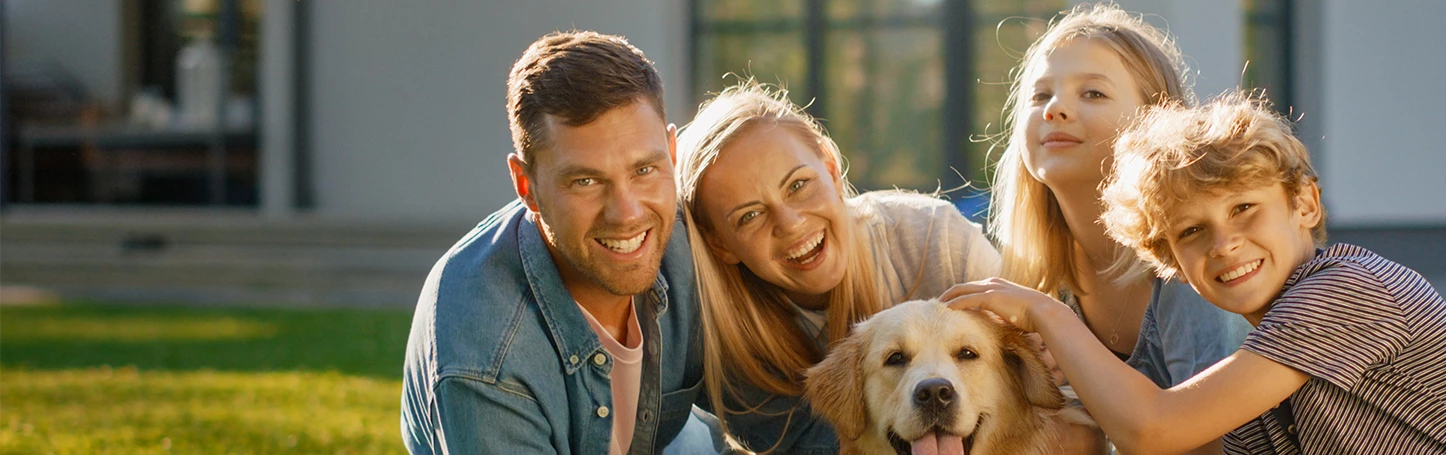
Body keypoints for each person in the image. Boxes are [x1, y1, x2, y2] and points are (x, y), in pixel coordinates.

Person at [947, 93, 1446, 454]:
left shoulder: (1349, 289)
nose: (1224, 243)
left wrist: (1047, 313)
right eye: (1191, 232)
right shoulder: (1258, 371)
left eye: (1244, 209)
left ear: (1305, 203)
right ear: (1171, 261)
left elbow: (1155, 428)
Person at [401, 31, 713, 455]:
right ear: (526, 185)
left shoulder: (695, 240)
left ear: (671, 154)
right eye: (585, 181)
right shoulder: (485, 353)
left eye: (644, 169)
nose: (627, 213)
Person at [673, 82, 1002, 453]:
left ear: (830, 168)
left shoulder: (937, 241)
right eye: (750, 215)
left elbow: (1047, 394)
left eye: (798, 185)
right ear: (719, 242)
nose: (791, 223)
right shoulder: (725, 341)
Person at [986, 6, 1256, 451]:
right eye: (1039, 96)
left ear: (1156, 122)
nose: (1055, 109)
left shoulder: (1195, 265)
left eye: (1092, 93)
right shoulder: (1040, 284)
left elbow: (1213, 444)